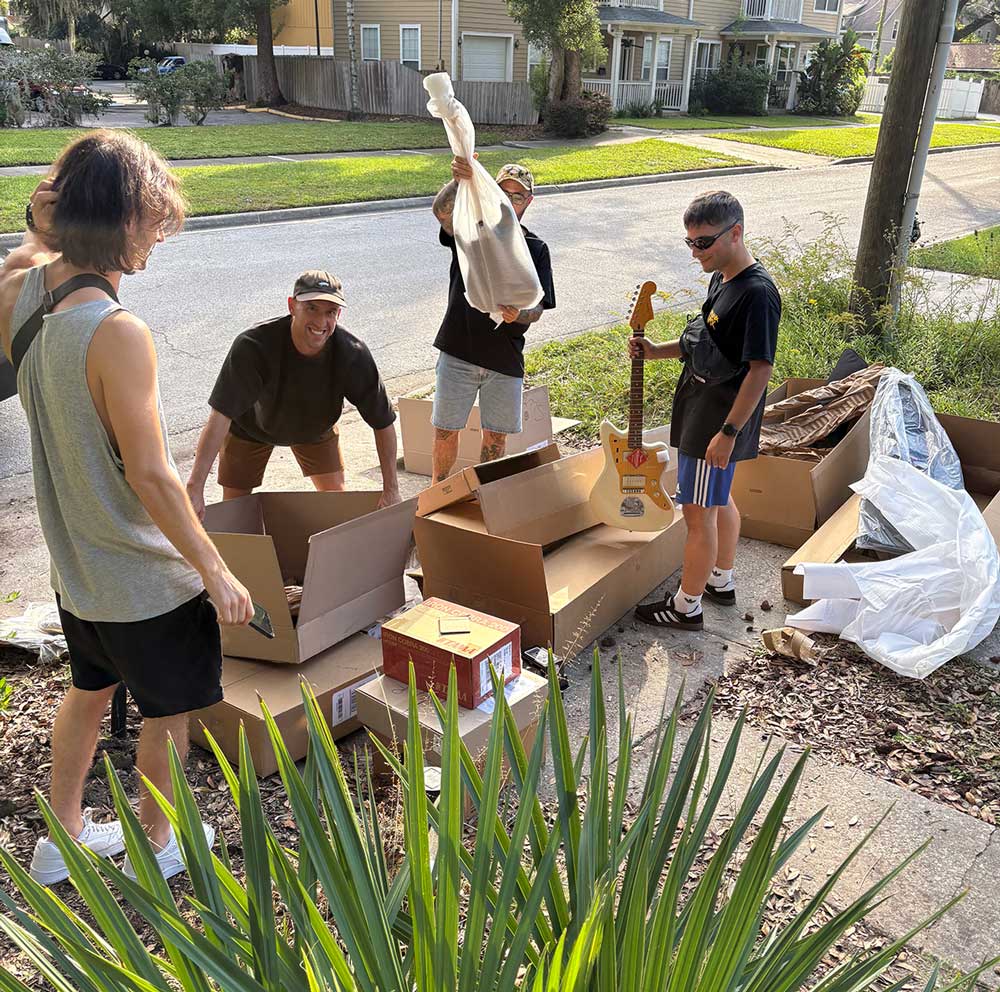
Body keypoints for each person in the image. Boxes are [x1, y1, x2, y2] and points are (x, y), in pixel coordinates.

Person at [0, 130, 253, 885]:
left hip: (78, 572)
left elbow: (26, 254)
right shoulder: (118, 332)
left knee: (87, 692)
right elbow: (151, 472)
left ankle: (60, 840)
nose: (156, 239)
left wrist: (39, 226)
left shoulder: (28, 302)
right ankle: (160, 844)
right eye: (151, 220)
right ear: (126, 218)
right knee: (167, 715)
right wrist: (214, 569)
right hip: (144, 580)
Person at [632, 190, 781, 631]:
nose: (696, 252)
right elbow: (707, 343)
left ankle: (686, 607)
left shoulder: (757, 295)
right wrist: (655, 350)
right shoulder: (723, 279)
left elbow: (760, 370)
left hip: (719, 416)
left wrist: (728, 432)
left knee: (697, 513)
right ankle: (721, 579)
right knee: (718, 499)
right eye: (690, 242)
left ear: (735, 233)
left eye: (704, 243)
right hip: (705, 408)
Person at [186, 271, 400, 516]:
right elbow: (220, 416)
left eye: (330, 312)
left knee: (337, 505)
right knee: (234, 512)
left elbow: (383, 421)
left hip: (316, 428)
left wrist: (391, 489)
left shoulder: (352, 353)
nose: (321, 322)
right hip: (250, 429)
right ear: (292, 306)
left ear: (338, 315)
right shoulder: (253, 346)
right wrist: (195, 486)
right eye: (311, 308)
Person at [429, 160, 556, 483]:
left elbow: (539, 309)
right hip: (459, 349)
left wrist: (519, 315)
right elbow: (442, 214)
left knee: (496, 438)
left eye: (518, 196)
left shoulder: (536, 248)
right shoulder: (472, 232)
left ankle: (483, 498)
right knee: (445, 431)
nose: (510, 201)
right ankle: (437, 497)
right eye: (503, 193)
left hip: (505, 360)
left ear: (528, 201)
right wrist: (460, 182)